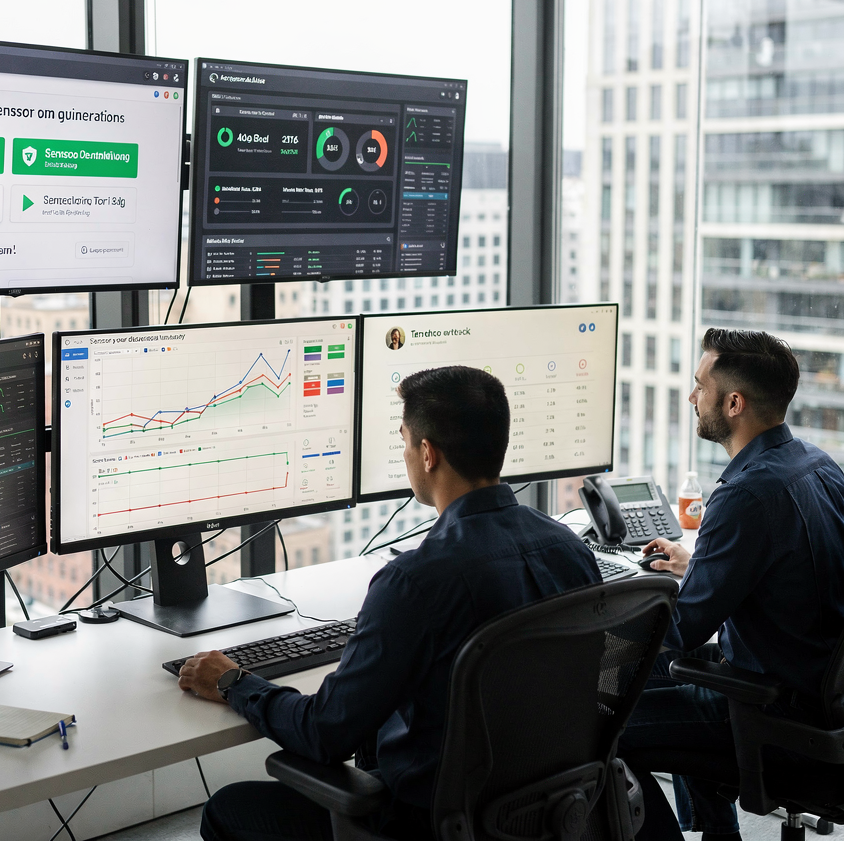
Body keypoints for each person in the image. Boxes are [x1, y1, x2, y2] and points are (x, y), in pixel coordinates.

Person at [178, 365, 602, 841]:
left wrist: (236, 682)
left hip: (432, 824)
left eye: (404, 441)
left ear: (427, 454)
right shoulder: (569, 549)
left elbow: (324, 733)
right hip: (544, 814)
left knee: (228, 809)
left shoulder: (415, 582)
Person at [619, 328, 844, 841]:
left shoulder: (746, 495)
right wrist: (697, 563)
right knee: (662, 676)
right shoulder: (816, 464)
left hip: (774, 712)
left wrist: (592, 616)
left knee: (602, 723)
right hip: (818, 696)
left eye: (700, 385)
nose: (693, 396)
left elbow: (679, 630)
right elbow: (795, 566)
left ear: (734, 402)